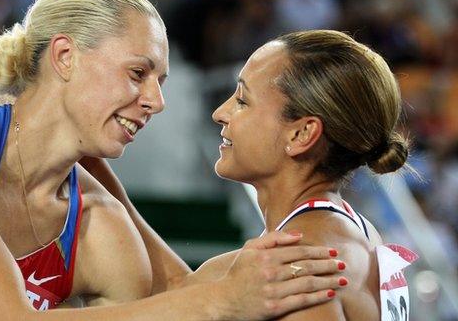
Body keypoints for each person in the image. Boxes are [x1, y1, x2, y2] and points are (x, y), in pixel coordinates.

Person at [0, 0, 347, 321]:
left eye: (161, 81)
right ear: (64, 56)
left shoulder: (100, 229)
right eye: (138, 73)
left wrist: (271, 275)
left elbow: (175, 289)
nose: (156, 101)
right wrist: (220, 299)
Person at [83, 30, 419, 321]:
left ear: (301, 134)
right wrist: (88, 162)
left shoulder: (300, 269)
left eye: (242, 100)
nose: (220, 112)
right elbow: (181, 288)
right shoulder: (342, 234)